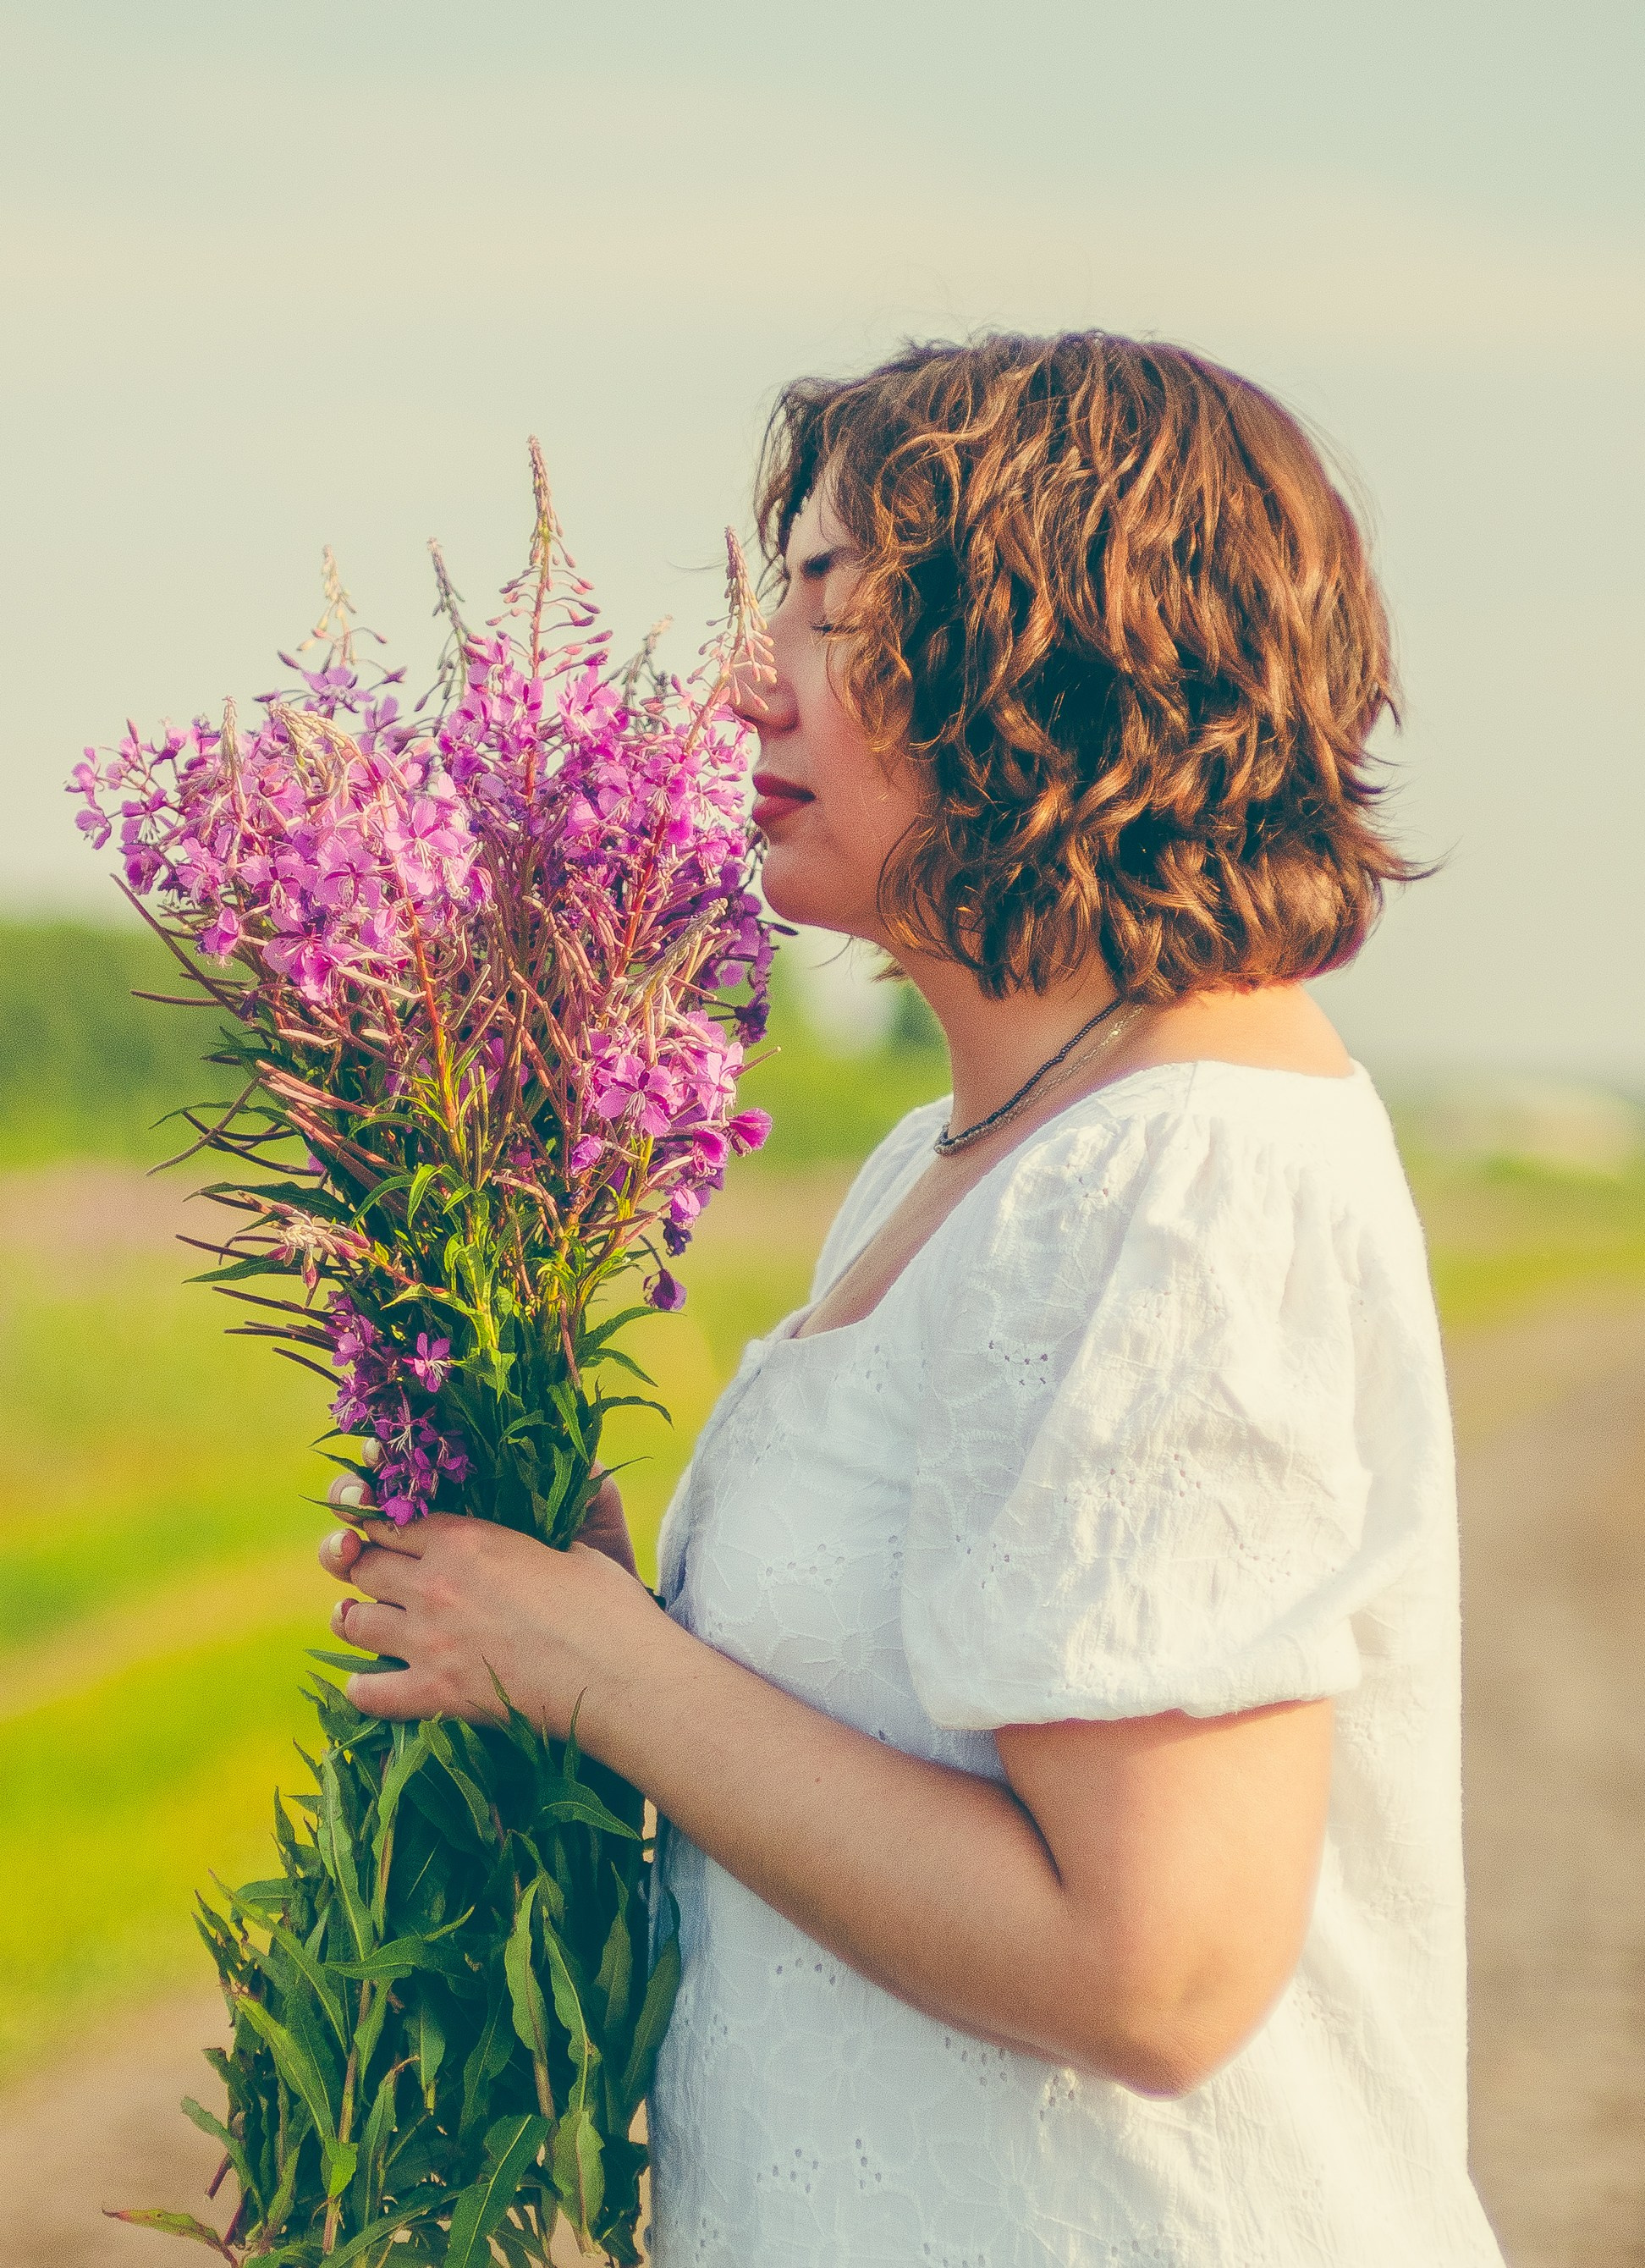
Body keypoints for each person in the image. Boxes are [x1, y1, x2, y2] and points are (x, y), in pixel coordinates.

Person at [317, 333, 1506, 2265]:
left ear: (1038, 661)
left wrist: (597, 1667)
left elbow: (1150, 1972)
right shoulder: (974, 1154)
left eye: (823, 606)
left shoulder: (1174, 1182)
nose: (736, 683)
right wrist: (590, 1621)